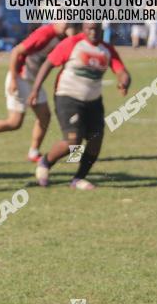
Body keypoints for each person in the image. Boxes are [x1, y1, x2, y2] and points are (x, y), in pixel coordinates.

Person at [29, 22, 130, 190]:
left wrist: (124, 82)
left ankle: (78, 179)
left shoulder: (107, 49)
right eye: (89, 28)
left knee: (95, 141)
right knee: (73, 142)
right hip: (68, 97)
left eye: (96, 29)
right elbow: (48, 64)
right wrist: (35, 89)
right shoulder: (72, 43)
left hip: (93, 101)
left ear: (101, 29)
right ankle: (45, 162)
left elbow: (121, 71)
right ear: (83, 29)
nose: (93, 32)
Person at [0, 23, 67, 163]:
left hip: (34, 82)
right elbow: (16, 51)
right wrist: (13, 79)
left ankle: (33, 152)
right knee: (14, 122)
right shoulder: (45, 33)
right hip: (20, 78)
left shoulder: (64, 35)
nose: (66, 23)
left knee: (44, 116)